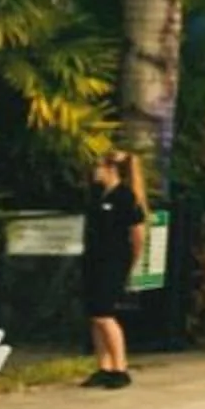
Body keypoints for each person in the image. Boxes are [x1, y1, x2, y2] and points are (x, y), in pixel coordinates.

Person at [81, 148, 145, 389]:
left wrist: (131, 262)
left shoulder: (124, 197)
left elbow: (137, 233)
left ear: (111, 170)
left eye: (99, 167)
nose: (95, 172)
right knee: (94, 315)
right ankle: (104, 365)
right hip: (94, 258)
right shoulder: (98, 195)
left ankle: (120, 366)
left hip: (113, 260)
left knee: (105, 314)